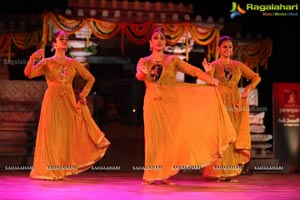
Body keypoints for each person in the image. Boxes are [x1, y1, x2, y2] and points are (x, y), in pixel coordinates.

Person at [135, 27, 236, 185]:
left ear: (165, 42)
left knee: (170, 140)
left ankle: (165, 174)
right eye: (156, 38)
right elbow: (139, 76)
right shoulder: (144, 61)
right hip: (153, 103)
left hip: (172, 104)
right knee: (154, 138)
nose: (159, 41)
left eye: (162, 38)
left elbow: (193, 71)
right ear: (150, 43)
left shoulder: (173, 60)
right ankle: (151, 173)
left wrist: (210, 79)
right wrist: (142, 72)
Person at [24, 30, 110, 180]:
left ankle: (61, 170)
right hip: (52, 100)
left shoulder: (73, 63)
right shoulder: (47, 62)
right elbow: (29, 73)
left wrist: (83, 95)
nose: (64, 41)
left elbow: (90, 79)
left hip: (68, 101)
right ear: (54, 44)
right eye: (61, 39)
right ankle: (49, 170)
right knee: (51, 134)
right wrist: (32, 58)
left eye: (66, 39)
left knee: (65, 136)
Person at [201, 35, 261, 182]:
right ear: (219, 48)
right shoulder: (214, 65)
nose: (227, 49)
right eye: (225, 46)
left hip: (235, 105)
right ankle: (216, 172)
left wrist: (248, 88)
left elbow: (256, 77)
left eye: (230, 47)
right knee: (220, 136)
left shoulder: (238, 65)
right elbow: (209, 83)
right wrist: (208, 72)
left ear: (232, 50)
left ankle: (230, 172)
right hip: (219, 103)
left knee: (232, 137)